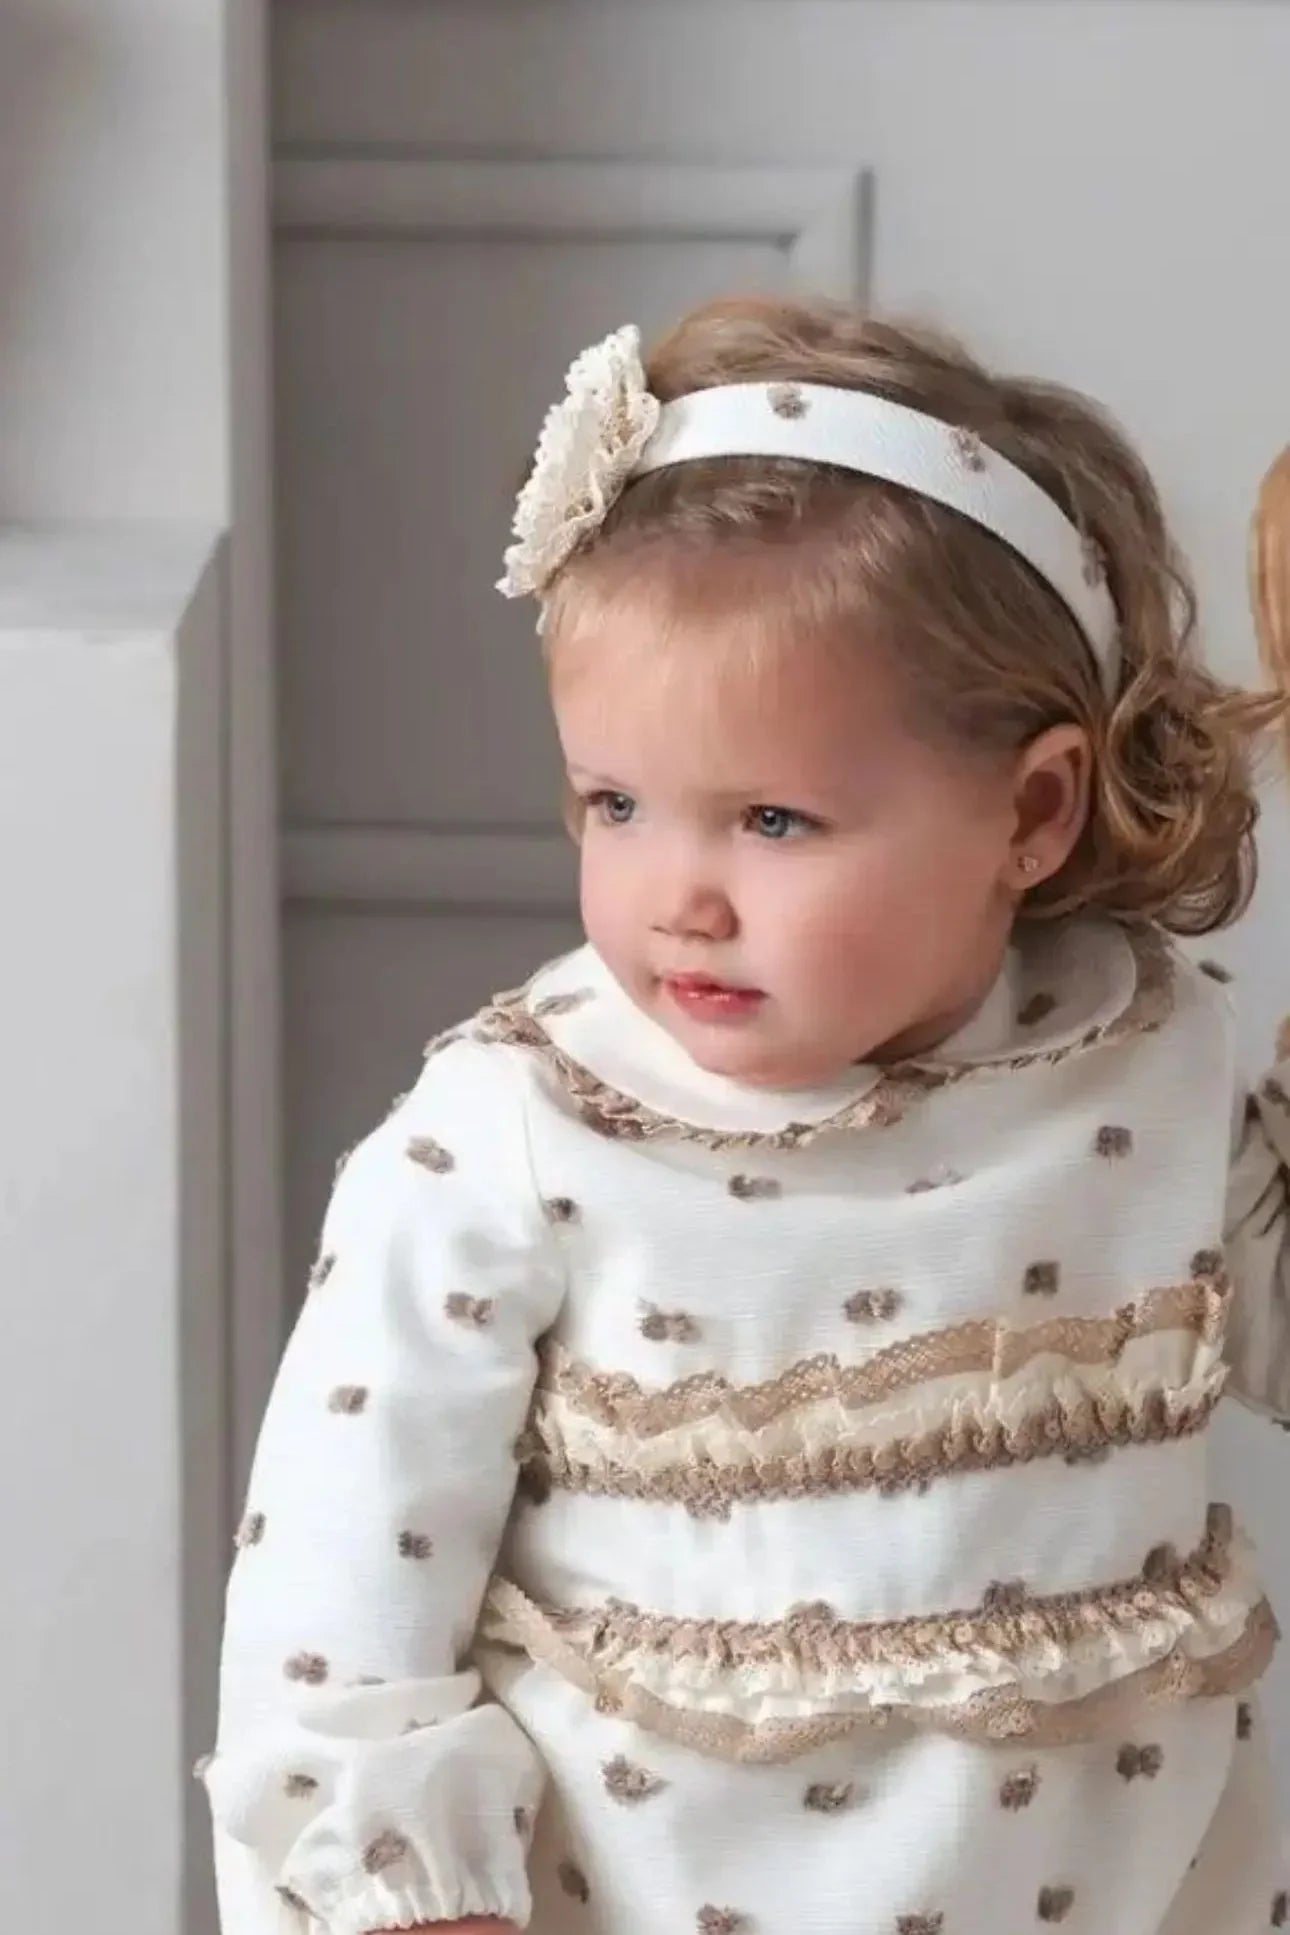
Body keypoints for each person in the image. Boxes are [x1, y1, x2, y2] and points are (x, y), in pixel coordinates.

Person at [202, 297, 1290, 1935]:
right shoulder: (516, 1131)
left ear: (1033, 809)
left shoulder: (1145, 1057)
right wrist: (412, 1891)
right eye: (614, 803)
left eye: (772, 820)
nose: (675, 898)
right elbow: (341, 1581)